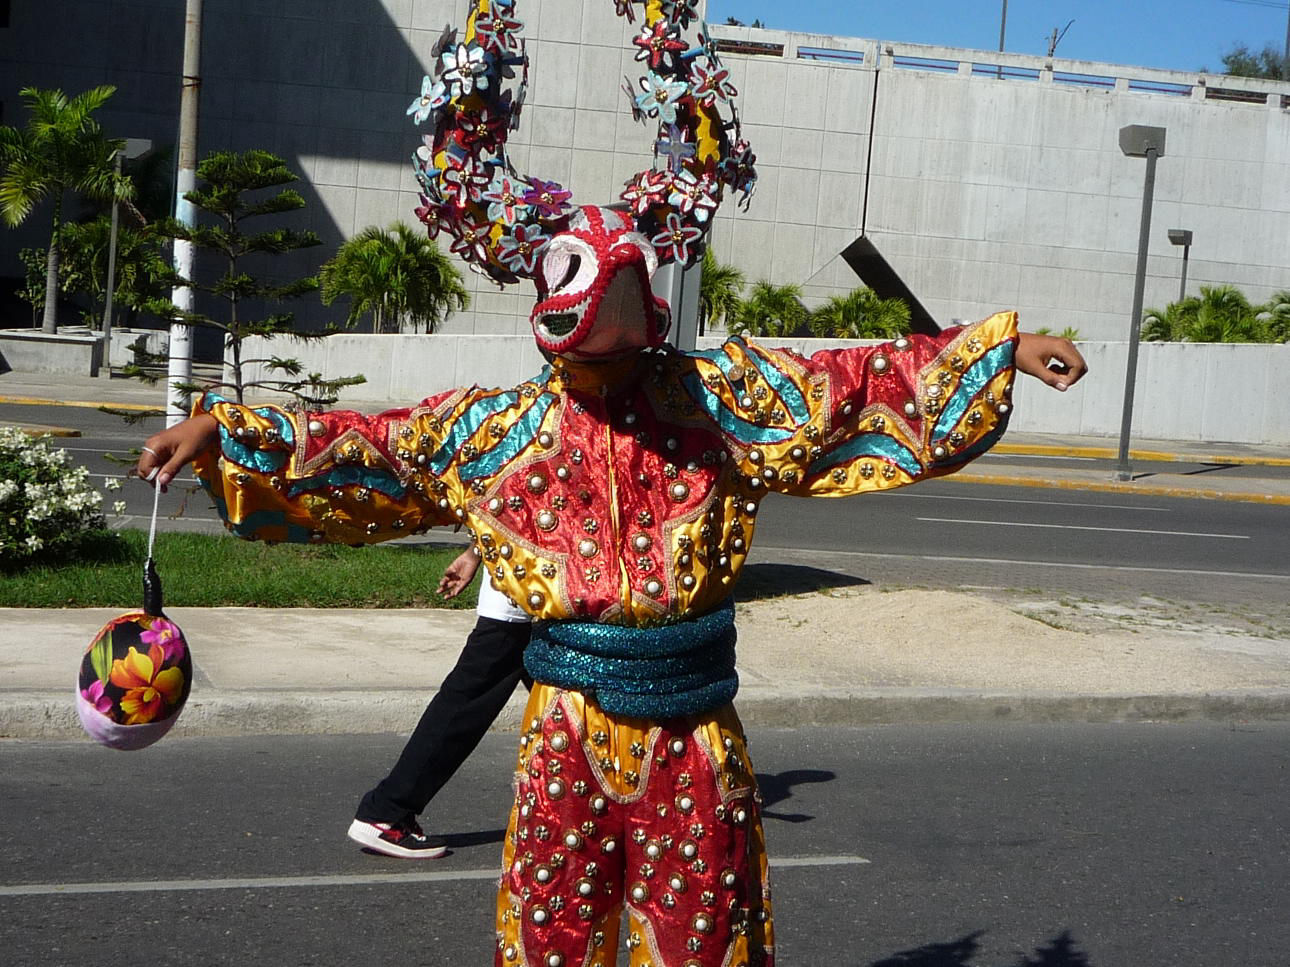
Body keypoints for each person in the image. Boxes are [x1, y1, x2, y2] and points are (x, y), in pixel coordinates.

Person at [136, 4, 1087, 963]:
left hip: (693, 738)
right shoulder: (501, 430)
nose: (615, 334)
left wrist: (1000, 351)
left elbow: (859, 383)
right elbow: (369, 447)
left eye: (629, 310)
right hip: (565, 737)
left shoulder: (718, 402)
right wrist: (227, 430)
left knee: (698, 942)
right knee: (557, 939)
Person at [347, 545, 531, 859]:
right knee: (466, 703)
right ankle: (386, 812)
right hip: (526, 589)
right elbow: (510, 498)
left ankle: (605, 817)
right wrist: (476, 553)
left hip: (537, 588)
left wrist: (474, 553)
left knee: (581, 706)